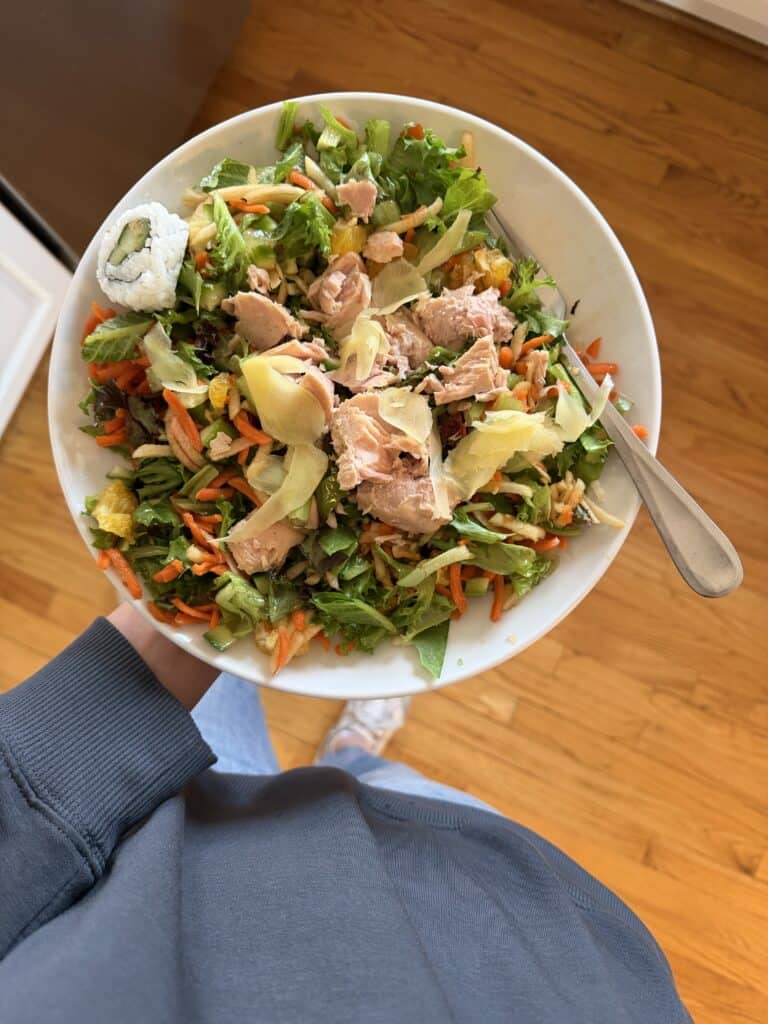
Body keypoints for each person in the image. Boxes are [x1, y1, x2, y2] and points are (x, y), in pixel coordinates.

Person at [0, 605, 691, 1024]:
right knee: (376, 783)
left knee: (230, 693)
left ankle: (345, 756)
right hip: (480, 897)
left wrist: (137, 661)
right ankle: (355, 751)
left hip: (166, 845)